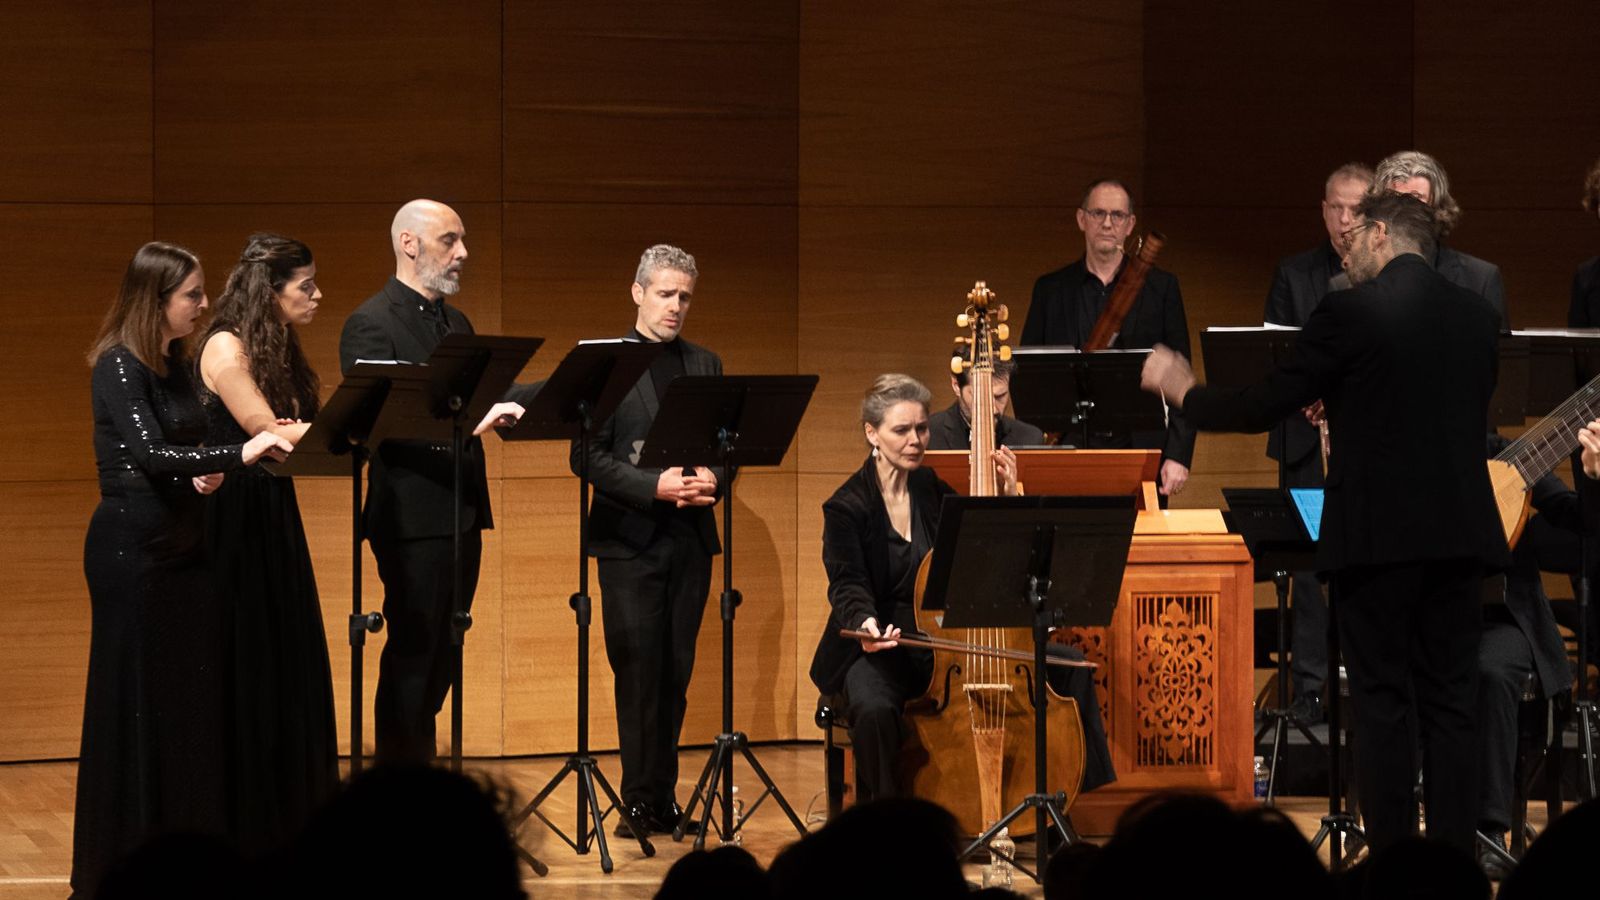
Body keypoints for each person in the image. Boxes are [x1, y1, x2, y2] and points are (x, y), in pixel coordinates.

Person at [1139, 191, 1508, 855]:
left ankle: (1394, 860)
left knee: (1382, 703)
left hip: (1375, 538)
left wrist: (1182, 389)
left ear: (1379, 232)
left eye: (1353, 236)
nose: (1345, 248)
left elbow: (1261, 405)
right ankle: (1452, 863)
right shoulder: (1479, 316)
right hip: (1459, 537)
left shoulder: (1348, 310)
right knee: (1454, 704)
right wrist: (1346, 401)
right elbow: (1436, 413)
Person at [75, 242, 291, 897]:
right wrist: (242, 449)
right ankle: (122, 865)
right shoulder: (117, 364)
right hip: (131, 554)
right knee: (136, 705)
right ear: (156, 299)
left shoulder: (173, 365)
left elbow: (183, 451)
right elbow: (146, 450)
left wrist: (210, 470)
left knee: (188, 708)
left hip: (182, 546)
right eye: (191, 295)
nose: (203, 306)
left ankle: (186, 863)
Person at [338, 200, 532, 765]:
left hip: (460, 514)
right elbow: (385, 424)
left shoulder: (457, 323)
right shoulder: (370, 323)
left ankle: (419, 781)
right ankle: (397, 790)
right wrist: (475, 420)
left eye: (462, 239)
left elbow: (481, 400)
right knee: (413, 653)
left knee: (446, 651)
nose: (463, 252)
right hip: (411, 519)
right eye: (450, 240)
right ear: (409, 244)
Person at [809, 374, 1018, 802]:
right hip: (879, 643)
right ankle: (886, 824)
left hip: (936, 642)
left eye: (922, 428)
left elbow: (975, 553)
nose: (916, 440)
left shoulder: (929, 487)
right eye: (901, 430)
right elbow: (847, 581)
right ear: (873, 433)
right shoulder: (847, 506)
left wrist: (1008, 494)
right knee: (872, 707)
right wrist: (865, 624)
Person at [573, 244, 723, 836]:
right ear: (638, 293)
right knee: (638, 672)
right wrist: (652, 487)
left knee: (676, 672)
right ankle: (635, 799)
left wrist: (717, 475)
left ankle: (663, 798)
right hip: (629, 542)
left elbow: (725, 443)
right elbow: (585, 455)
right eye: (665, 294)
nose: (675, 306)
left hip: (689, 539)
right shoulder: (609, 364)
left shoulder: (705, 363)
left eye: (684, 296)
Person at [196, 233, 338, 855]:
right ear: (270, 289)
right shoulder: (226, 344)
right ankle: (243, 826)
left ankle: (288, 823)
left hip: (272, 512)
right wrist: (328, 429)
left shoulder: (276, 346)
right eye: (306, 285)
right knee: (248, 659)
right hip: (229, 520)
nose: (317, 295)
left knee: (285, 659)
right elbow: (258, 423)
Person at [1261, 162, 1375, 723]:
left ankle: (1367, 687)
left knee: (1368, 564)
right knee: (1308, 571)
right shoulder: (1294, 273)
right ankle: (1310, 689)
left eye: (1357, 208)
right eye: (1336, 207)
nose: (1346, 219)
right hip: (1308, 442)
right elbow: (1278, 356)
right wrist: (1310, 393)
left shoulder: (1386, 271)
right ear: (1323, 210)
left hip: (1371, 444)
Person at [1020, 178, 1194, 496]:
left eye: (1117, 215)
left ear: (1130, 225)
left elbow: (1182, 374)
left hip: (1141, 447)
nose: (1107, 223)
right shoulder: (1050, 290)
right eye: (1098, 213)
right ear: (1081, 219)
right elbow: (1031, 378)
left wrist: (1178, 455)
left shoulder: (1161, 288)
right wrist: (1035, 453)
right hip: (1068, 446)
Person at [1476, 434, 1578, 878]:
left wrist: (1594, 474)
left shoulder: (1512, 454)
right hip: (1432, 611)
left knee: (1491, 671)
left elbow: (1578, 514)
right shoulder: (1418, 446)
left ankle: (1490, 831)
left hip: (1505, 617)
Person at [1373, 150, 1508, 330]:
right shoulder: (1352, 282)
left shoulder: (1481, 279)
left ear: (1438, 208)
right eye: (1396, 199)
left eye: (1416, 199)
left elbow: (1498, 355)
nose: (1404, 211)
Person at [926, 356, 1045, 450]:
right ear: (956, 385)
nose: (993, 409)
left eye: (1000, 396)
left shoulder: (1030, 438)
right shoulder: (928, 434)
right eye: (981, 396)